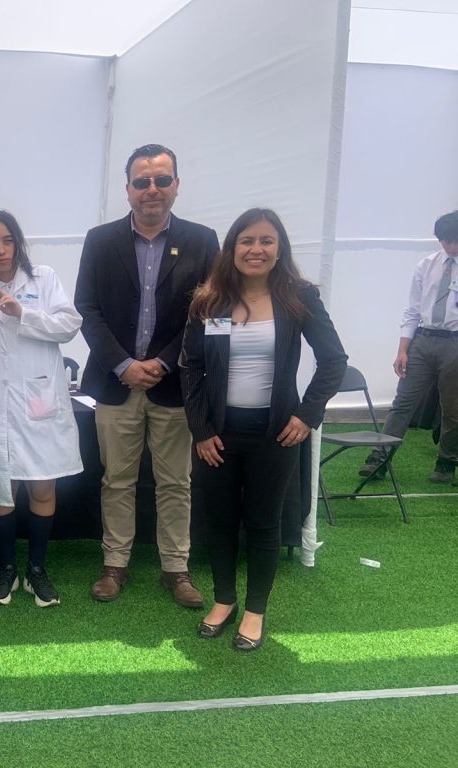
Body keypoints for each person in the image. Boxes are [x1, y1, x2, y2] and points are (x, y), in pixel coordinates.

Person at [181, 208, 346, 650]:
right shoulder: (210, 300)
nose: (256, 249)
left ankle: (255, 610)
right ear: (232, 248)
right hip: (218, 435)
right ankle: (224, 600)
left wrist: (306, 415)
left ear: (279, 249)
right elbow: (191, 367)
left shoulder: (299, 297)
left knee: (263, 522)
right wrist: (201, 430)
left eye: (266, 241)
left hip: (275, 434)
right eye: (247, 241)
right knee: (219, 521)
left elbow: (334, 361)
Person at [75, 143, 219, 608]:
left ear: (176, 185)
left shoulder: (203, 241)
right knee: (116, 480)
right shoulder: (100, 240)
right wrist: (124, 364)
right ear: (128, 189)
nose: (151, 189)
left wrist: (163, 362)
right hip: (115, 384)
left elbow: (207, 311)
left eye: (161, 180)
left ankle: (175, 569)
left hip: (174, 384)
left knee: (176, 482)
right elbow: (86, 308)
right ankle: (114, 563)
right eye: (142, 181)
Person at [0, 210, 83, 607]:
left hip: (39, 403)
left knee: (42, 486)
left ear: (18, 243)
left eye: (7, 241)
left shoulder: (43, 279)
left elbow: (69, 325)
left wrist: (24, 314)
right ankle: (7, 569)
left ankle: (36, 569)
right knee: (1, 489)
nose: (1, 250)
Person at [360, 210, 458, 485]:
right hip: (422, 340)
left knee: (453, 408)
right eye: (446, 241)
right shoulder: (426, 266)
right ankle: (379, 458)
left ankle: (446, 463)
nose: (451, 247)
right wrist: (402, 349)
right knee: (403, 402)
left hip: (454, 341)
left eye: (456, 241)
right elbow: (413, 310)